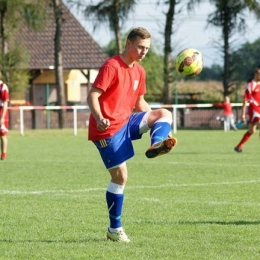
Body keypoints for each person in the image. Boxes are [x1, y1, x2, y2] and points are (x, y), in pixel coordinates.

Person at [87, 27, 177, 242]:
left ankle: (157, 143)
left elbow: (139, 103)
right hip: (106, 129)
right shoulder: (111, 66)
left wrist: (157, 124)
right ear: (128, 44)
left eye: (147, 48)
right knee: (120, 177)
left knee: (164, 113)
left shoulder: (139, 71)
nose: (144, 52)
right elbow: (93, 96)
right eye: (140, 47)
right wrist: (99, 118)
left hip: (126, 122)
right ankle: (114, 229)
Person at [234, 66, 260, 152]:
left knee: (251, 130)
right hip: (254, 109)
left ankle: (239, 146)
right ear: (256, 74)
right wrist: (243, 114)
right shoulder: (251, 85)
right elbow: (245, 100)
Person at [0, 80, 9, 160]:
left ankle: (3, 154)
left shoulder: (3, 86)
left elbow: (5, 102)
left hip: (1, 111)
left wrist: (2, 117)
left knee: (2, 134)